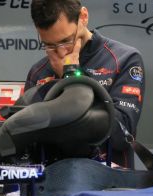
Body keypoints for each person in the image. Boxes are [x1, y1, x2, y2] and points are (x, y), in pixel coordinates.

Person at [25, 0, 145, 168]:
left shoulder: (124, 59)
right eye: (49, 45)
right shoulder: (38, 72)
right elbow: (29, 143)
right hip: (52, 186)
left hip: (108, 188)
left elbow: (121, 135)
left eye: (66, 40)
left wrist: (71, 78)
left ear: (83, 17)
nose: (61, 52)